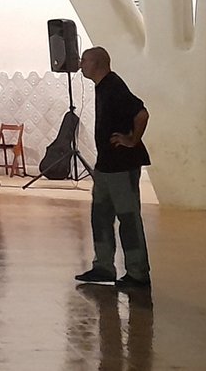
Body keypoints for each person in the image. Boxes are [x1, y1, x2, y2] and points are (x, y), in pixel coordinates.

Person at [75, 46, 152, 290]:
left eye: (84, 60)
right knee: (100, 217)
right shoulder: (103, 87)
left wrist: (132, 140)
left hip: (122, 165)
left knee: (128, 219)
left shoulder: (114, 86)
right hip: (106, 166)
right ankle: (104, 267)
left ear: (97, 63)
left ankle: (138, 273)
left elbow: (141, 113)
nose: (81, 64)